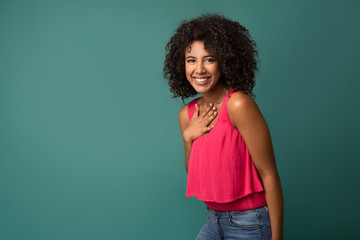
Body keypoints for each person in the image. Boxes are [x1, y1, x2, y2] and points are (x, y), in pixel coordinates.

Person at [163, 14, 284, 240]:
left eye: (209, 59)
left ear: (225, 61)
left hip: (249, 222)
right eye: (191, 60)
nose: (199, 69)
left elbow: (269, 175)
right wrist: (187, 137)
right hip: (212, 220)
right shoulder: (186, 114)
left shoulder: (238, 104)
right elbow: (196, 171)